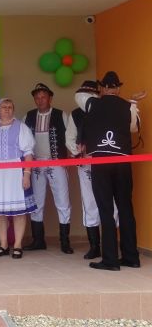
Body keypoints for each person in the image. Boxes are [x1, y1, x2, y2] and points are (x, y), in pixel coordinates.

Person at [80, 71, 144, 271]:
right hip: (123, 162)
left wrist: (97, 94)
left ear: (103, 88)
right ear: (118, 88)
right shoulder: (128, 106)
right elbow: (134, 128)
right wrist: (133, 102)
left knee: (106, 209)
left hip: (101, 161)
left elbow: (79, 95)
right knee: (125, 208)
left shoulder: (92, 103)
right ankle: (131, 257)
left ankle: (110, 259)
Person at [0, 98, 36, 259]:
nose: (7, 109)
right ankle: (3, 244)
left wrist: (27, 174)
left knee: (18, 210)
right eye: (4, 107)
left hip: (15, 171)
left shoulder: (21, 127)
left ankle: (17, 245)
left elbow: (28, 153)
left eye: (10, 107)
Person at [23, 83, 74, 254]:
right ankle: (38, 240)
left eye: (43, 97)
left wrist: (70, 158)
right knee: (36, 203)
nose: (40, 100)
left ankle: (65, 242)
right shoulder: (28, 116)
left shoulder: (61, 115)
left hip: (56, 163)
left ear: (50, 98)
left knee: (63, 202)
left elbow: (70, 138)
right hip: (36, 164)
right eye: (37, 97)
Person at [66, 81, 105, 259]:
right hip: (86, 162)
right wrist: (77, 150)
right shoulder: (76, 114)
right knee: (89, 203)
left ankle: (111, 244)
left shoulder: (106, 111)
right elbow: (70, 138)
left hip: (106, 163)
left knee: (110, 202)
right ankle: (94, 246)